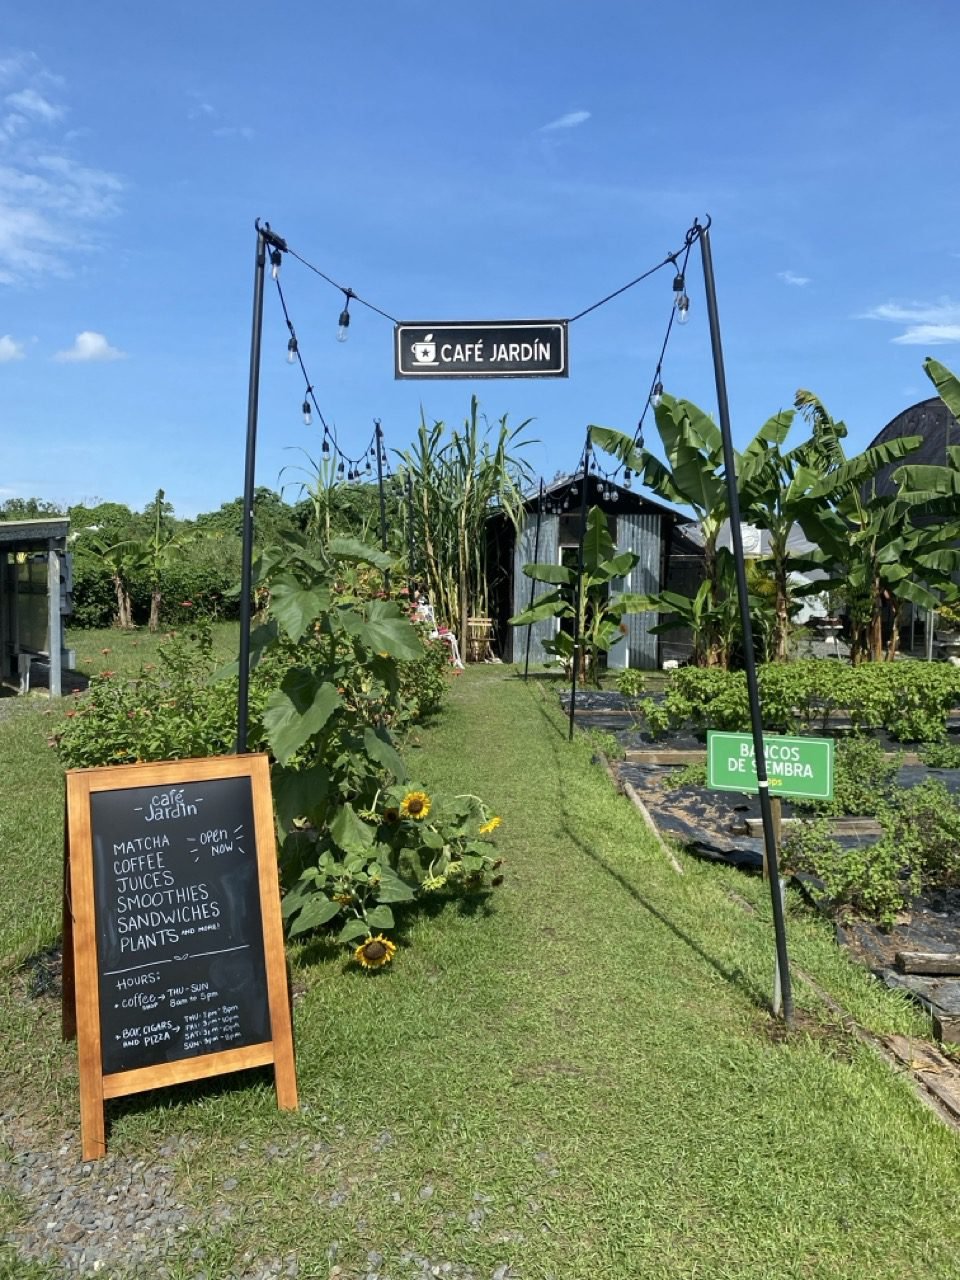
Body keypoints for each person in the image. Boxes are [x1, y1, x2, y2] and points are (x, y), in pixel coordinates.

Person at [411, 589, 464, 668]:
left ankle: (456, 660)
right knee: (449, 637)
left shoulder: (427, 608)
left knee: (452, 637)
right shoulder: (418, 610)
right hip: (427, 633)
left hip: (432, 630)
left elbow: (431, 621)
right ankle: (454, 660)